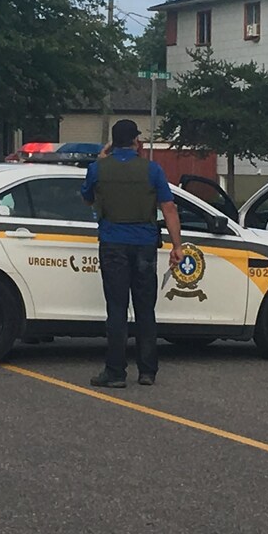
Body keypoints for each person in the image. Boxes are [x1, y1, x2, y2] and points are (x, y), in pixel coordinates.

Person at [80, 119, 184, 388]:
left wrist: (102, 159)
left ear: (113, 143)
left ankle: (115, 372)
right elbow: (169, 208)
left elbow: (88, 198)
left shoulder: (98, 169)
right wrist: (177, 246)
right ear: (136, 142)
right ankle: (147, 371)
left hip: (113, 244)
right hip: (145, 245)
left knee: (116, 309)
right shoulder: (152, 170)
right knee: (145, 308)